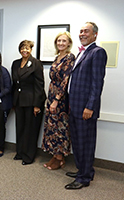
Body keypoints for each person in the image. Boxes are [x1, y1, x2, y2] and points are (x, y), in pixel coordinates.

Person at [65, 22, 107, 190]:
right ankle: (83, 170)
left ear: (95, 34)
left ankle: (84, 178)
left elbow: (97, 84)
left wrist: (90, 106)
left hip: (85, 109)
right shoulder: (81, 53)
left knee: (85, 143)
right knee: (77, 142)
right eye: (81, 31)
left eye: (86, 31)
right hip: (74, 106)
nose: (82, 34)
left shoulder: (97, 52)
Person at [42, 32, 75, 170]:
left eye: (64, 41)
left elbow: (65, 81)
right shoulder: (57, 57)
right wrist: (49, 99)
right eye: (59, 41)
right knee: (52, 126)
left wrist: (56, 100)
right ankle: (55, 156)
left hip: (60, 98)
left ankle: (60, 158)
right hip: (52, 95)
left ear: (69, 43)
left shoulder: (69, 57)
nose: (61, 43)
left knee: (60, 128)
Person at [11, 40, 46, 165]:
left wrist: (37, 105)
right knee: (20, 128)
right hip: (19, 101)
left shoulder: (36, 63)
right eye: (22, 48)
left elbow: (39, 85)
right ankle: (20, 152)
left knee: (30, 130)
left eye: (27, 48)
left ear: (31, 49)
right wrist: (13, 102)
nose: (24, 50)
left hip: (32, 102)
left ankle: (28, 156)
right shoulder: (15, 63)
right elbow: (14, 84)